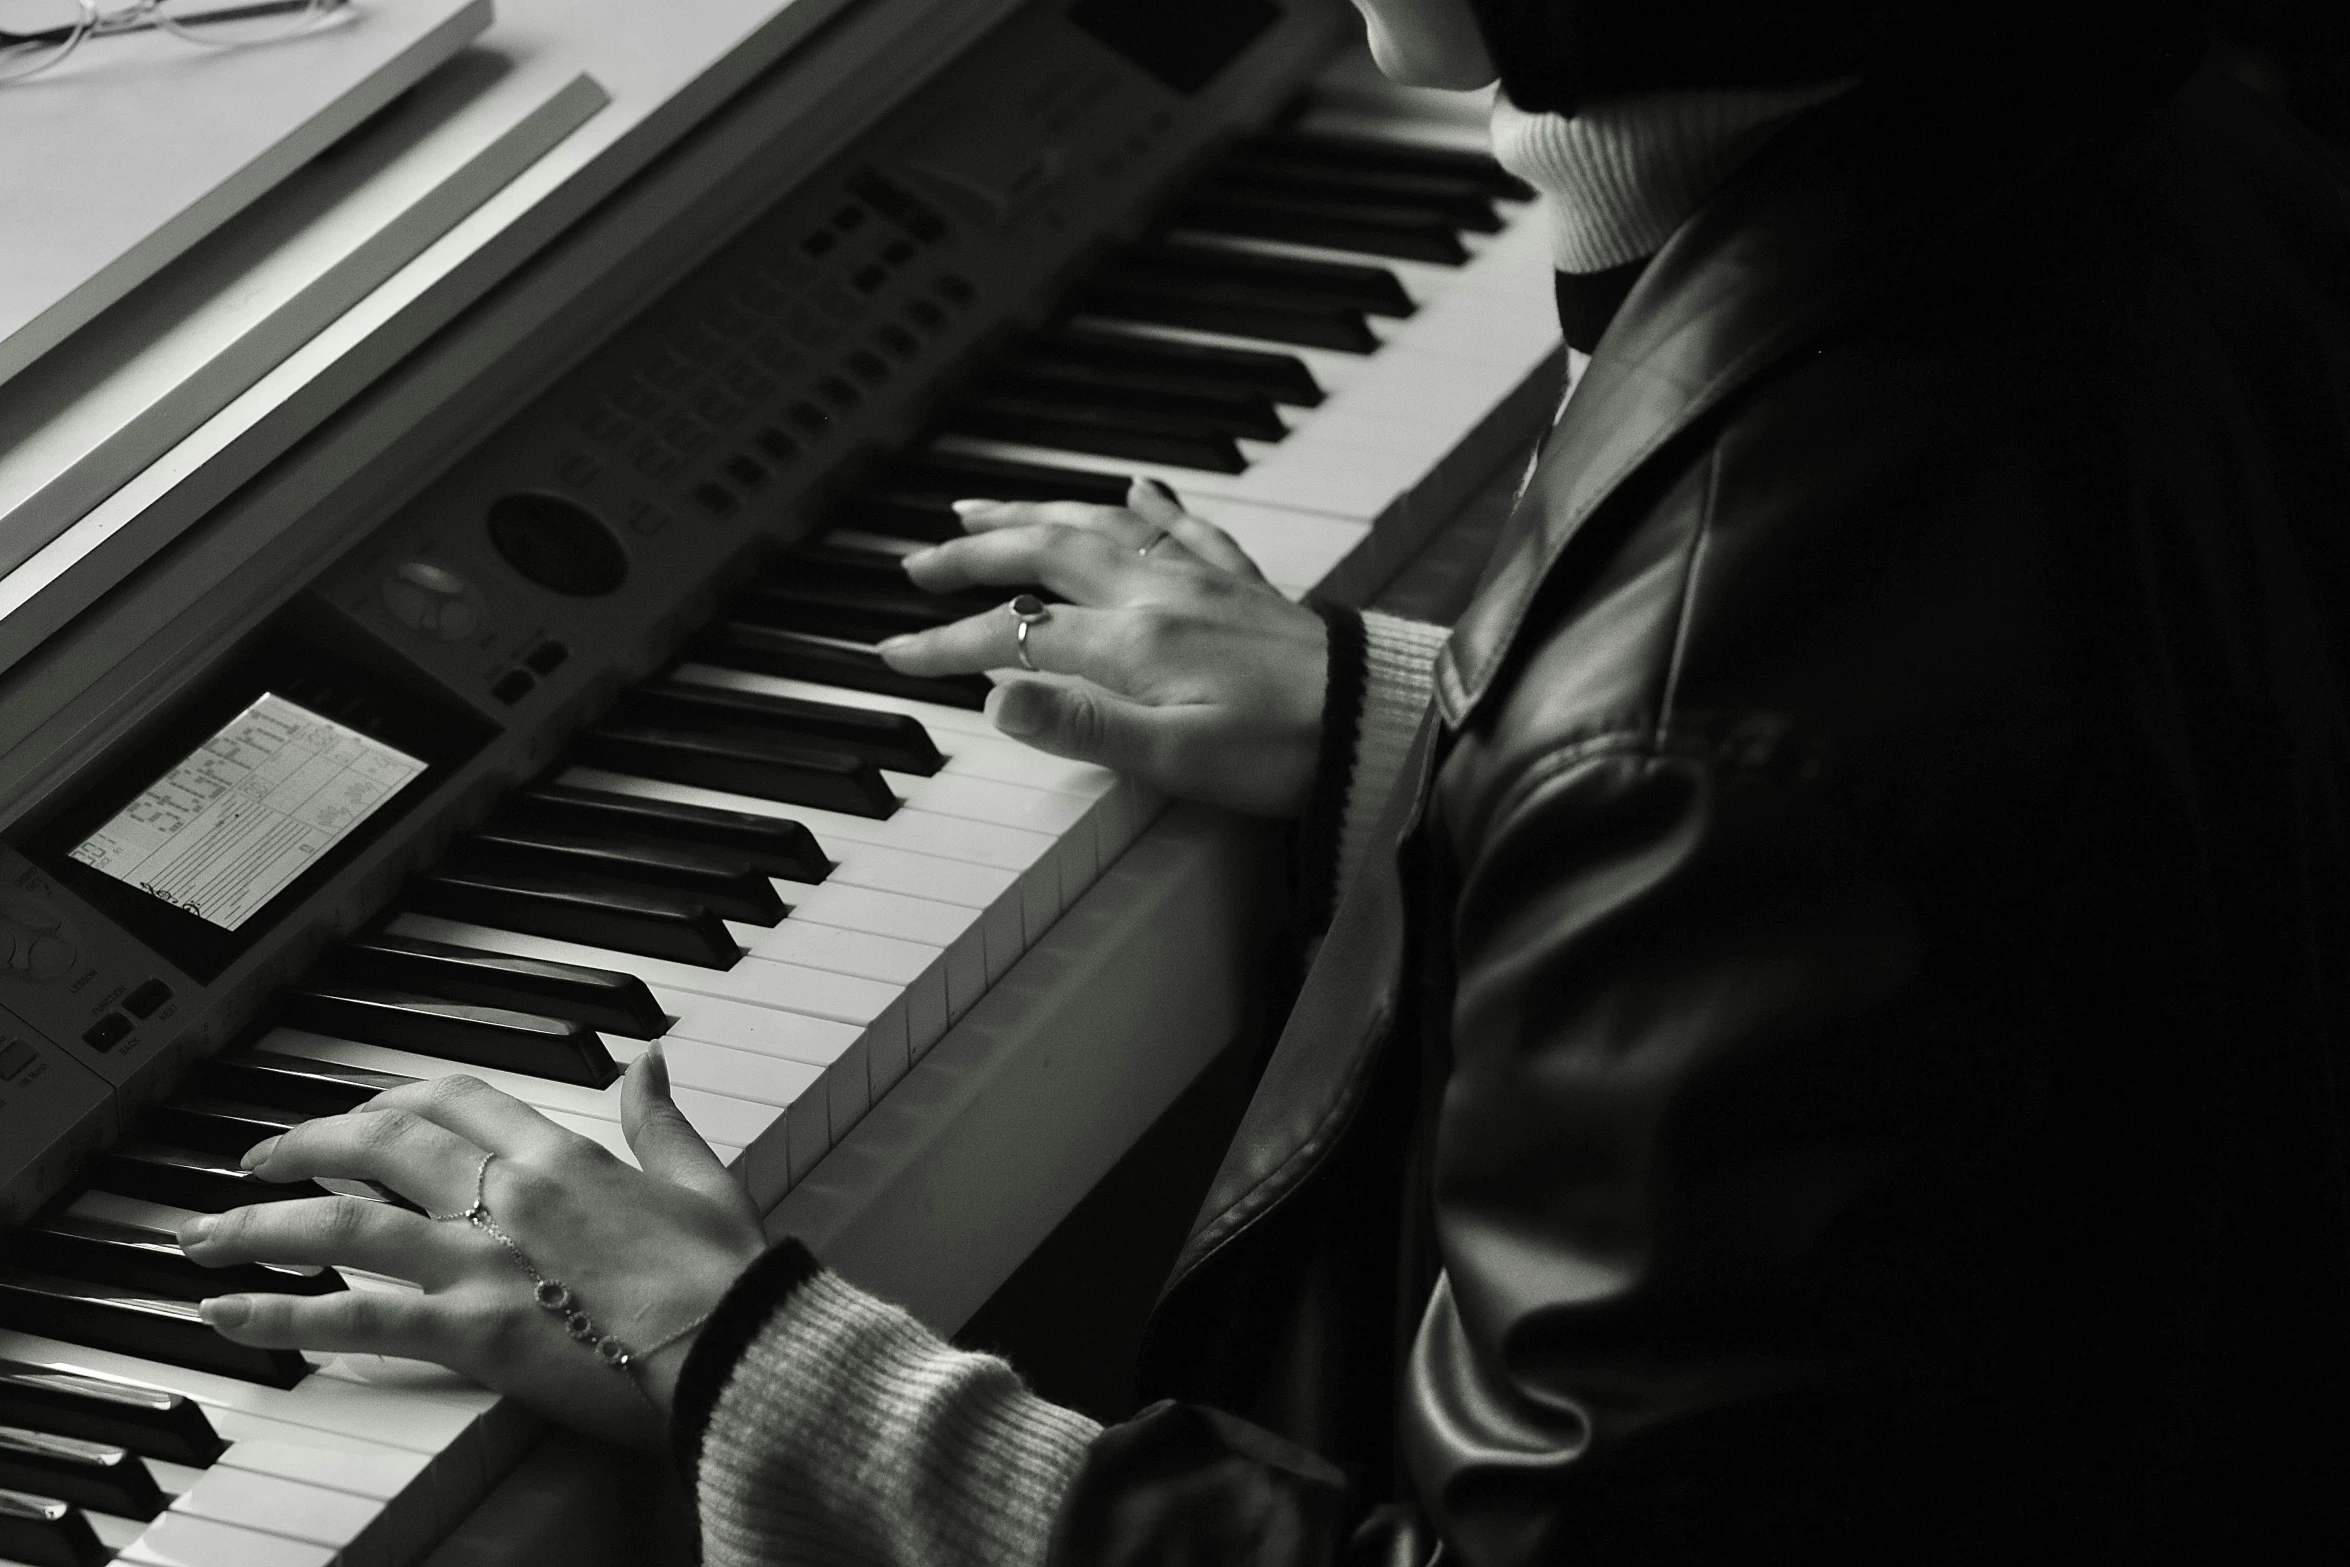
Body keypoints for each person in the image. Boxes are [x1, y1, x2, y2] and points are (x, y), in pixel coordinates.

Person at [175, 0, 2350, 1559]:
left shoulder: (1730, 732)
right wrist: (1443, 724)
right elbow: (2055, 853)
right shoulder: (2151, 122)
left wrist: (744, 1361)